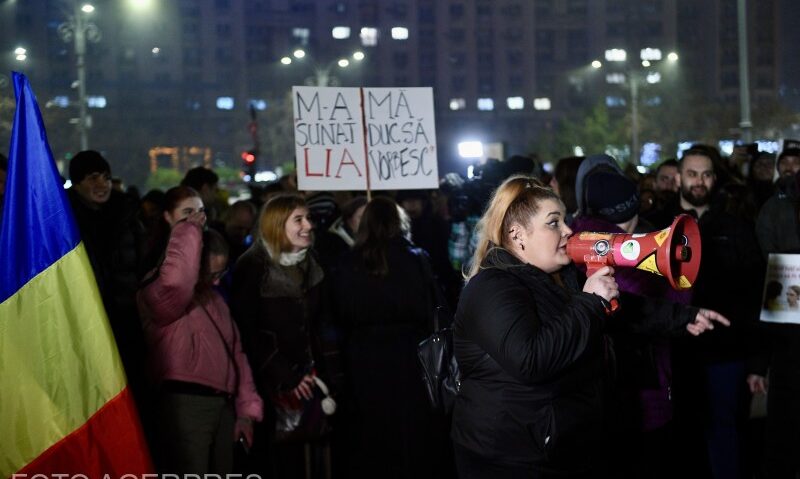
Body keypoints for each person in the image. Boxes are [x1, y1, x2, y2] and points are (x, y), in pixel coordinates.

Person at [451, 176, 728, 478]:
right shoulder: (491, 287)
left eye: (565, 219)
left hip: (559, 446)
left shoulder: (558, 278)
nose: (568, 230)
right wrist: (590, 302)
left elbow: (626, 311)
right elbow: (530, 359)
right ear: (518, 235)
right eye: (553, 223)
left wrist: (684, 317)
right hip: (509, 456)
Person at [137, 185, 263, 473]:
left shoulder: (213, 299)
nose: (217, 282)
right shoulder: (159, 292)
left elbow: (236, 352)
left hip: (222, 406)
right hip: (187, 405)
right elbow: (178, 280)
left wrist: (246, 410)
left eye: (222, 274)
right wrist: (188, 230)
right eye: (212, 274)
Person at [331, 197, 444, 479]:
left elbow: (338, 312)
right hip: (409, 355)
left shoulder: (347, 262)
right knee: (409, 431)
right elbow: (434, 310)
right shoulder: (416, 258)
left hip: (363, 356)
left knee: (372, 429)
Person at [231, 194, 330, 479]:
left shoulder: (312, 262)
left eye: (308, 218)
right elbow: (248, 332)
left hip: (312, 378)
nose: (308, 226)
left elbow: (321, 323)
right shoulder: (253, 267)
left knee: (314, 458)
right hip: (270, 385)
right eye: (298, 220)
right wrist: (287, 376)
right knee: (281, 461)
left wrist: (321, 372)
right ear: (277, 225)